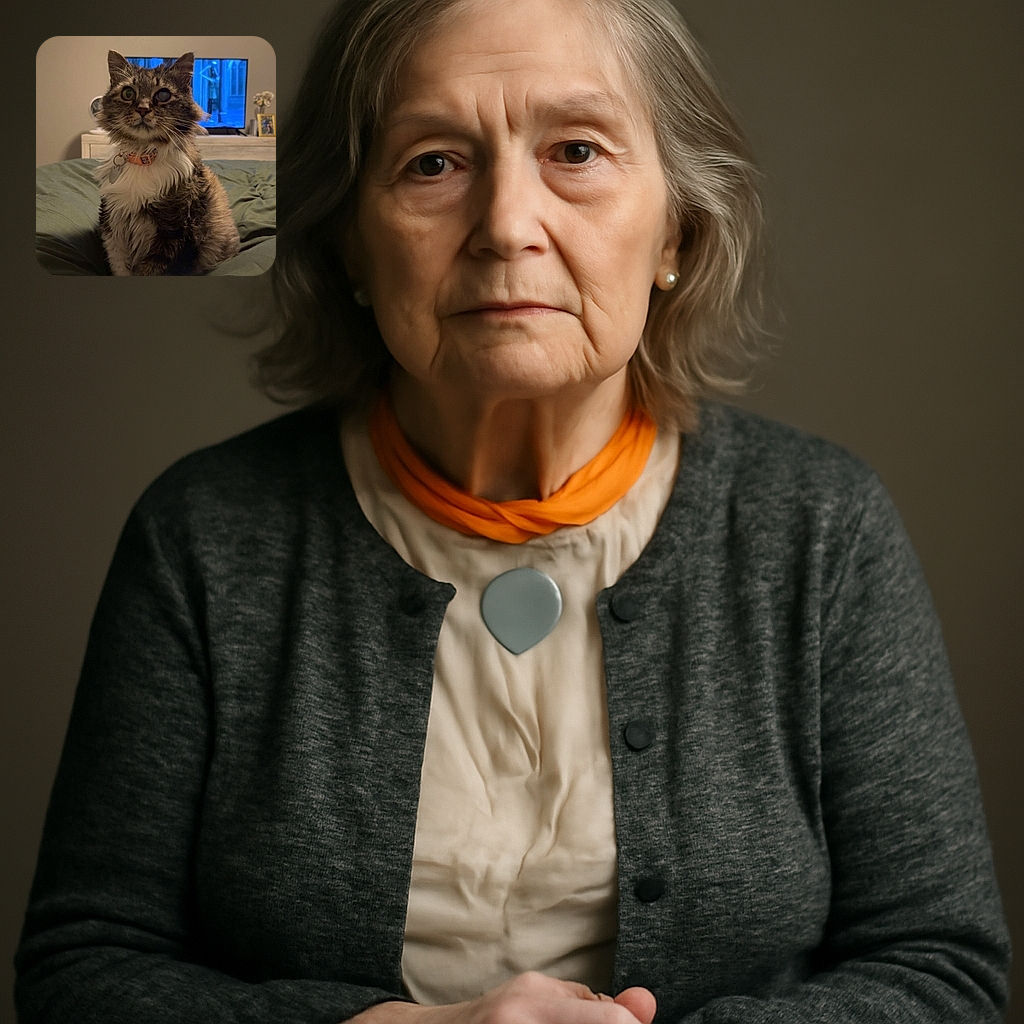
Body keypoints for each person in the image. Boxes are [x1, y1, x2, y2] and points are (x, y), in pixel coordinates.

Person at [15, 0, 1010, 1021]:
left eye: (575, 150)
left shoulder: (821, 528)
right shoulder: (205, 537)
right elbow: (82, 969)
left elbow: (942, 970)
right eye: (432, 163)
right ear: (351, 243)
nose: (504, 227)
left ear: (676, 225)